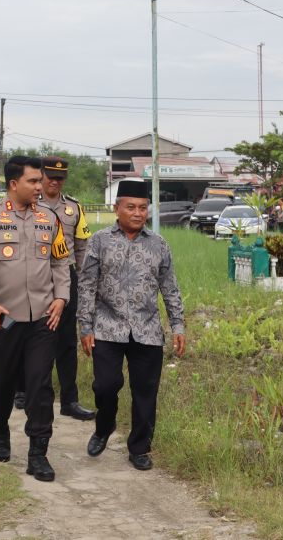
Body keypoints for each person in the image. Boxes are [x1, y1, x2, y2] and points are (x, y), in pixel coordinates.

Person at [0, 155, 71, 482]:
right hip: (3, 318)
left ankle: (38, 452)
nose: (41, 187)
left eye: (41, 181)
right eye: (34, 181)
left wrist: (61, 297)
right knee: (0, 384)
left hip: (42, 317)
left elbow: (59, 262)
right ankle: (0, 430)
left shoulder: (49, 218)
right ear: (14, 184)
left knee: (40, 385)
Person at [78, 180, 186, 471]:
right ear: (117, 209)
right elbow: (87, 286)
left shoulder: (159, 244)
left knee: (145, 392)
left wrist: (178, 325)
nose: (138, 213)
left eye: (142, 208)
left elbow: (171, 288)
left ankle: (139, 448)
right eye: (131, 207)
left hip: (147, 329)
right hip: (106, 326)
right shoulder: (100, 240)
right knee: (105, 385)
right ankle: (104, 426)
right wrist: (84, 328)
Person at [13, 156, 95, 421]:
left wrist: (81, 281)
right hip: (33, 277)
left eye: (61, 178)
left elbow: (82, 246)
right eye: (50, 177)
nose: (55, 182)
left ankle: (69, 400)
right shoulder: (27, 205)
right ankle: (23, 391)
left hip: (66, 278)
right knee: (27, 335)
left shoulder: (74, 208)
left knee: (65, 341)